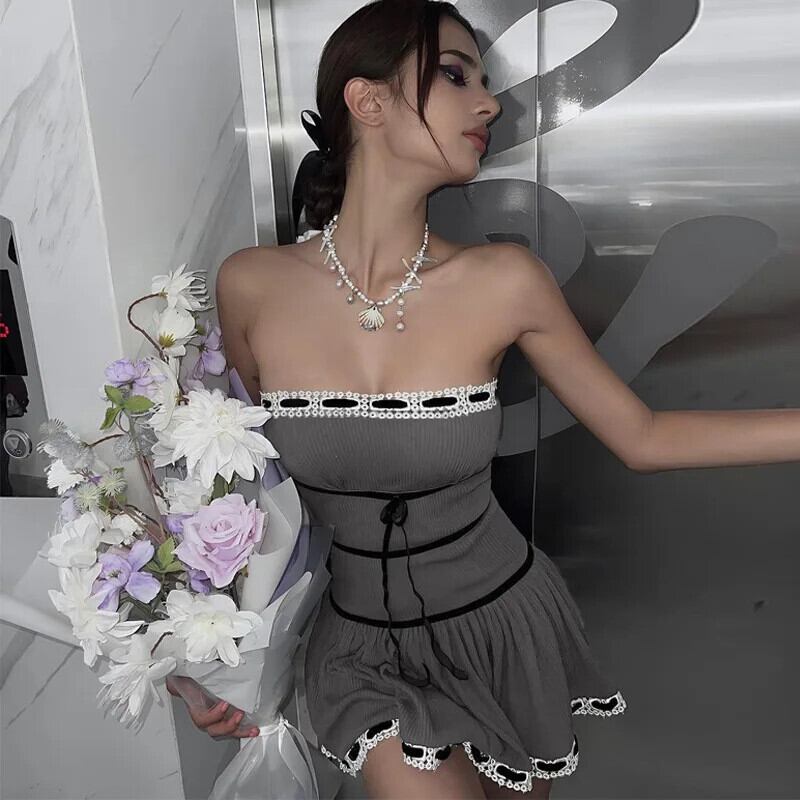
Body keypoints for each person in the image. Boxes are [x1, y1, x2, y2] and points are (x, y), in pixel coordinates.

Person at [173, 1, 800, 797]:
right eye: (455, 75)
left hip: (503, 627)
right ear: (367, 101)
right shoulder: (251, 285)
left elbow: (644, 437)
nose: (489, 103)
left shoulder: (504, 280)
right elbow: (235, 493)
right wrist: (201, 656)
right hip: (357, 648)